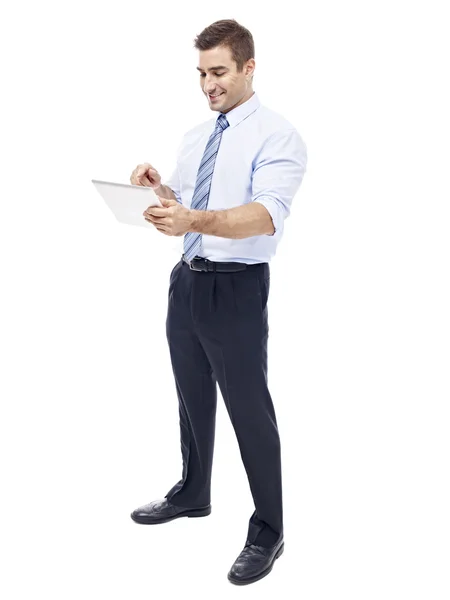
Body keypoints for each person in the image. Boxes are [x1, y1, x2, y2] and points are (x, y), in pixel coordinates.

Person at [129, 18, 307, 585]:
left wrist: (192, 217)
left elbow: (264, 213)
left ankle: (269, 529)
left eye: (219, 72)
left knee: (249, 409)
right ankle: (194, 490)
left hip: (237, 287)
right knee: (190, 394)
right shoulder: (198, 135)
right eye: (202, 73)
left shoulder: (278, 136)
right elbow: (187, 197)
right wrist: (158, 188)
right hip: (187, 281)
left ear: (249, 68)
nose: (209, 84)